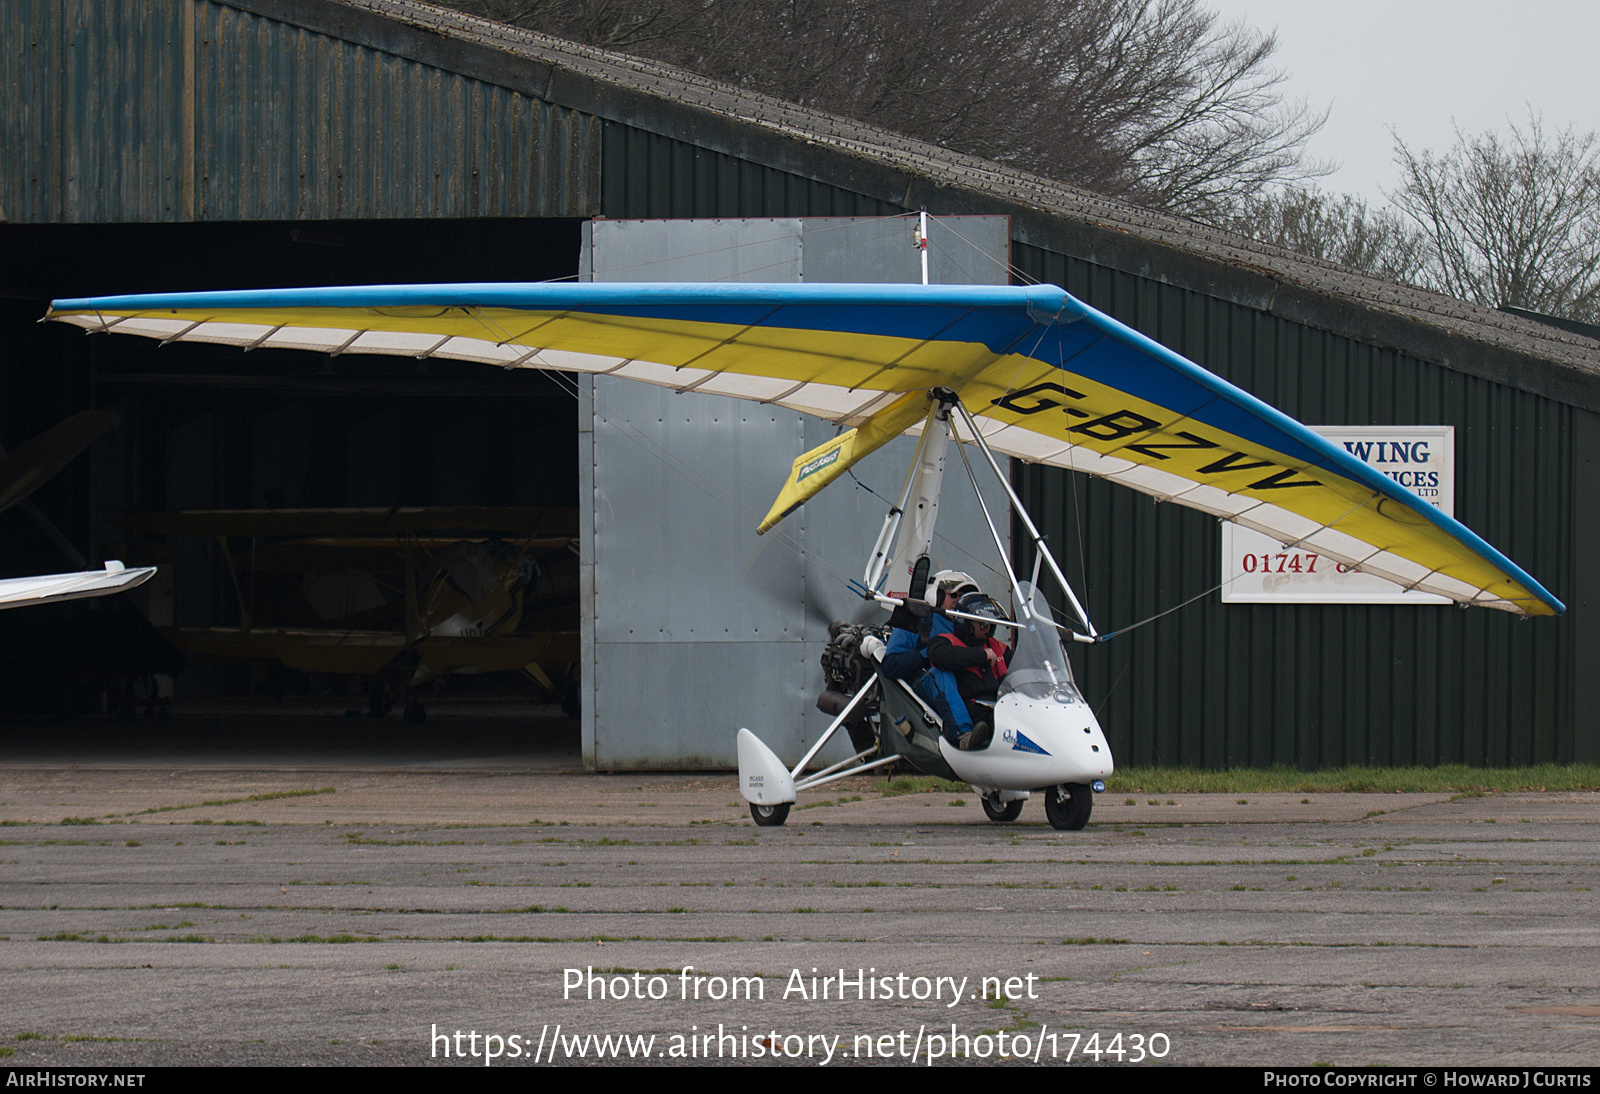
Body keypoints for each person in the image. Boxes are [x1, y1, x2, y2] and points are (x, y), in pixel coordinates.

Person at [923, 591, 1011, 750]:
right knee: (938, 674)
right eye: (982, 624)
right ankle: (963, 736)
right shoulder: (945, 642)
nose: (988, 628)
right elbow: (940, 657)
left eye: (990, 623)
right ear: (965, 623)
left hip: (1000, 715)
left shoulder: (997, 647)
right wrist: (981, 655)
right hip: (971, 714)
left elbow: (1021, 667)